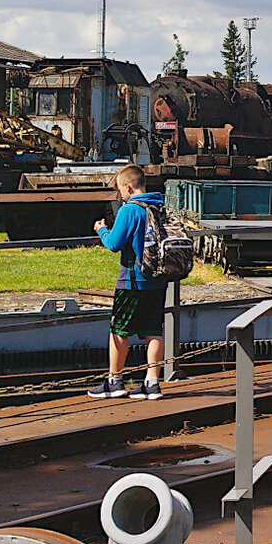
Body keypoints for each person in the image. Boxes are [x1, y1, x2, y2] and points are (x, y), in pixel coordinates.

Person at [88, 164, 169, 400]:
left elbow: (114, 243)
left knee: (119, 330)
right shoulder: (159, 205)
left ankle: (115, 381)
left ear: (128, 186)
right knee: (153, 332)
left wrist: (101, 230)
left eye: (120, 190)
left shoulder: (129, 210)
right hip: (157, 280)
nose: (120, 195)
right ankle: (152, 384)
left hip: (131, 281)